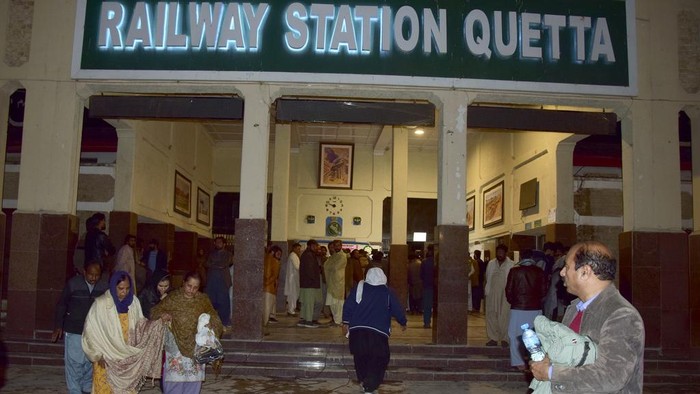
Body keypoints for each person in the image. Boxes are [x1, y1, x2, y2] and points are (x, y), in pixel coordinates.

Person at [530, 241, 645, 393]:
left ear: (585, 272)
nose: (563, 272)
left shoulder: (621, 315)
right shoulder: (575, 308)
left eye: (567, 267)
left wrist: (551, 373)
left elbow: (612, 376)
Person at [81, 271, 168, 394]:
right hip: (105, 357)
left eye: (128, 288)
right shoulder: (101, 304)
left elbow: (141, 326)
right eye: (121, 288)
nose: (124, 292)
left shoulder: (133, 302)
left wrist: (157, 323)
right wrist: (97, 354)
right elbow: (91, 331)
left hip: (127, 356)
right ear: (113, 286)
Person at [151, 272, 224, 394]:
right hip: (176, 345)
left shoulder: (203, 299)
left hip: (196, 345)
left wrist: (211, 324)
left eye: (195, 287)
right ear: (183, 283)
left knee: (193, 379)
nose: (191, 290)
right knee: (175, 378)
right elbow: (155, 311)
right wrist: (163, 315)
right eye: (189, 286)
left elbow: (214, 316)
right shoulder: (173, 297)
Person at [342, 267, 407, 394]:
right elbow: (397, 309)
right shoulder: (387, 291)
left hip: (357, 331)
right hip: (378, 333)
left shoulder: (359, 288)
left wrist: (345, 323)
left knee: (360, 357)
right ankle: (370, 386)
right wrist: (403, 322)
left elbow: (348, 305)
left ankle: (364, 381)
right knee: (379, 358)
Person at [52, 261, 109, 394]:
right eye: (91, 274)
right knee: (74, 362)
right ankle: (74, 390)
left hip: (93, 332)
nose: (93, 278)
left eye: (97, 275)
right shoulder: (73, 284)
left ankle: (86, 387)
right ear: (84, 272)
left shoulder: (104, 287)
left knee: (90, 360)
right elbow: (62, 304)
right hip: (74, 329)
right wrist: (58, 325)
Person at [505, 249, 546, 371]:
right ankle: (535, 359)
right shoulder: (539, 271)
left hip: (518, 308)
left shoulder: (514, 271)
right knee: (535, 336)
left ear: (521, 258)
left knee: (513, 335)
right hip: (535, 308)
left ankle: (518, 362)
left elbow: (508, 290)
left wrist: (514, 302)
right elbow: (544, 290)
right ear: (532, 258)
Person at [484, 244, 514, 347]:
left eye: (502, 252)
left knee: (504, 316)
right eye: (498, 252)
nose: (500, 254)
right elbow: (487, 277)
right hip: (491, 294)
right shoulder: (491, 263)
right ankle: (493, 338)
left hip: (505, 295)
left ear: (506, 253)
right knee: (491, 315)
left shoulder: (511, 264)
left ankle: (505, 338)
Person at [205, 236, 233, 328]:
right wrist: (216, 265)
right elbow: (207, 264)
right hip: (211, 281)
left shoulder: (228, 254)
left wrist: (214, 264)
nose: (218, 244)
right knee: (210, 301)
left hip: (223, 281)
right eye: (216, 242)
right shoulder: (211, 254)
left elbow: (224, 264)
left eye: (220, 242)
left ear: (224, 244)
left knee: (223, 302)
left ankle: (225, 322)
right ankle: (210, 322)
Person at [298, 240, 322, 328]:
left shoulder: (308, 254)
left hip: (306, 283)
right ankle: (308, 321)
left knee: (306, 302)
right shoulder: (308, 255)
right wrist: (313, 279)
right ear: (310, 246)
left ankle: (303, 320)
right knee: (309, 303)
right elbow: (310, 270)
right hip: (310, 284)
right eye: (315, 246)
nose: (316, 248)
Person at [324, 239, 347, 326]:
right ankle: (335, 319)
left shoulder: (342, 256)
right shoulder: (334, 256)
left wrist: (328, 266)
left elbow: (335, 267)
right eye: (335, 246)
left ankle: (338, 321)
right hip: (331, 282)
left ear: (341, 246)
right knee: (332, 302)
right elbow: (326, 266)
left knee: (338, 303)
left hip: (338, 283)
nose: (336, 247)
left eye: (338, 245)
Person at [263, 245, 282, 326]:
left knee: (265, 309)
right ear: (273, 252)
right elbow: (272, 276)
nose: (279, 256)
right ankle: (264, 327)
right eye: (278, 253)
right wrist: (266, 284)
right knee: (266, 310)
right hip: (269, 288)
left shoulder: (265, 258)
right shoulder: (274, 261)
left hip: (266, 288)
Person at [284, 243, 302, 316]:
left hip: (294, 278)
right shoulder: (293, 256)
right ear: (294, 248)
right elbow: (298, 267)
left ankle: (291, 310)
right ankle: (291, 311)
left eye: (299, 249)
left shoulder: (294, 256)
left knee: (293, 295)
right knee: (293, 295)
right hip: (293, 279)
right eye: (298, 249)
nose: (299, 250)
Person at [419, 245, 435, 329]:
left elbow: (421, 275)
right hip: (437, 287)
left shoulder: (425, 262)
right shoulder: (438, 261)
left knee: (427, 306)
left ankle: (427, 322)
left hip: (427, 286)